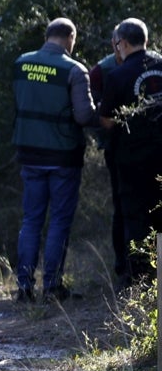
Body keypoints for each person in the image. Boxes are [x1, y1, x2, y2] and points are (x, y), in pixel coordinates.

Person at [11, 18, 95, 303]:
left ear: (47, 36)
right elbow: (84, 116)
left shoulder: (21, 63)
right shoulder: (74, 70)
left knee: (31, 219)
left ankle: (24, 286)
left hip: (29, 154)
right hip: (63, 157)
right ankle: (51, 287)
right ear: (70, 38)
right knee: (59, 221)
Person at [98, 17, 162, 286]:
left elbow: (107, 120)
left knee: (134, 215)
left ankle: (139, 276)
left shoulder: (118, 75)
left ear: (122, 43)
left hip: (132, 159)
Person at [89, 28, 126, 285]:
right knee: (122, 207)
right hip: (118, 151)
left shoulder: (154, 63)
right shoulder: (101, 70)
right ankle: (123, 267)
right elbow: (94, 114)